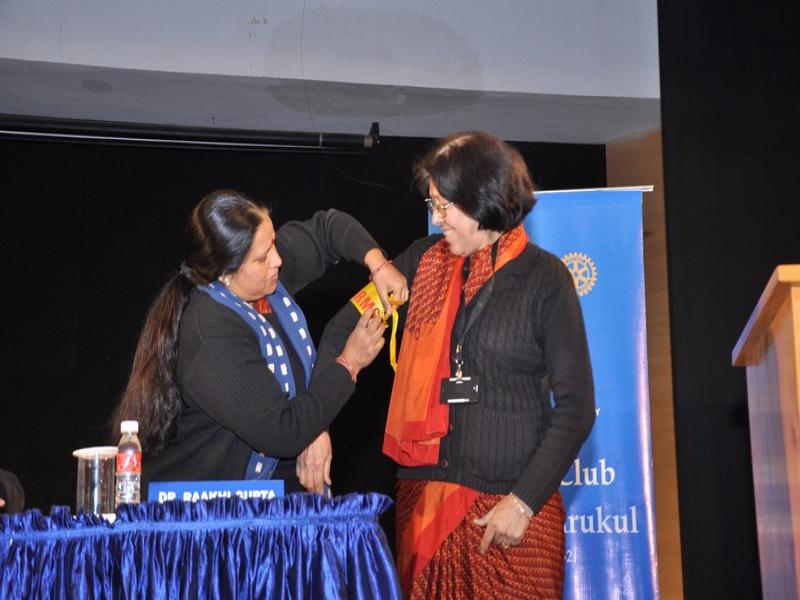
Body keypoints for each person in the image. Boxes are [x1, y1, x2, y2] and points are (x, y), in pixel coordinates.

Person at [318, 132, 595, 598]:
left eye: (445, 206)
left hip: (511, 522)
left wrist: (523, 502)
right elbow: (337, 331)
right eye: (433, 205)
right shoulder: (418, 262)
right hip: (423, 511)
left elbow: (577, 408)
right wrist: (316, 425)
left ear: (484, 201)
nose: (436, 218)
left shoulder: (546, 278)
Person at [111, 189, 408, 497]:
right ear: (225, 274)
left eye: (273, 244)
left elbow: (327, 228)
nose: (277, 260)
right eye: (262, 258)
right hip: (203, 511)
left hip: (263, 495)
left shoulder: (264, 277)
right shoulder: (210, 334)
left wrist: (378, 265)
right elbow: (284, 430)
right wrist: (349, 363)